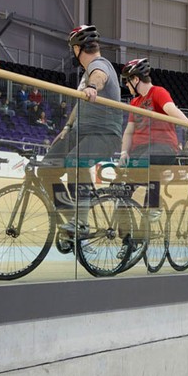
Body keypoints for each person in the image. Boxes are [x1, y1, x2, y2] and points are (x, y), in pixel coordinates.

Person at [39, 25, 123, 237]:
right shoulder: (86, 75)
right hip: (80, 131)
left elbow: (99, 76)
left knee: (76, 161)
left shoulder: (99, 65)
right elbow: (80, 102)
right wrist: (67, 126)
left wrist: (93, 87)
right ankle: (71, 215)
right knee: (46, 168)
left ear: (77, 49)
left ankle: (82, 223)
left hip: (104, 133)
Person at [119, 57, 188, 221]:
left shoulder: (158, 91)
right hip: (140, 149)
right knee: (123, 186)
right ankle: (127, 235)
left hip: (163, 146)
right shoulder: (134, 102)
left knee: (148, 161)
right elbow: (129, 131)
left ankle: (154, 205)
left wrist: (187, 121)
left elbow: (170, 108)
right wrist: (124, 152)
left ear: (135, 79)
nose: (126, 85)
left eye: (127, 81)